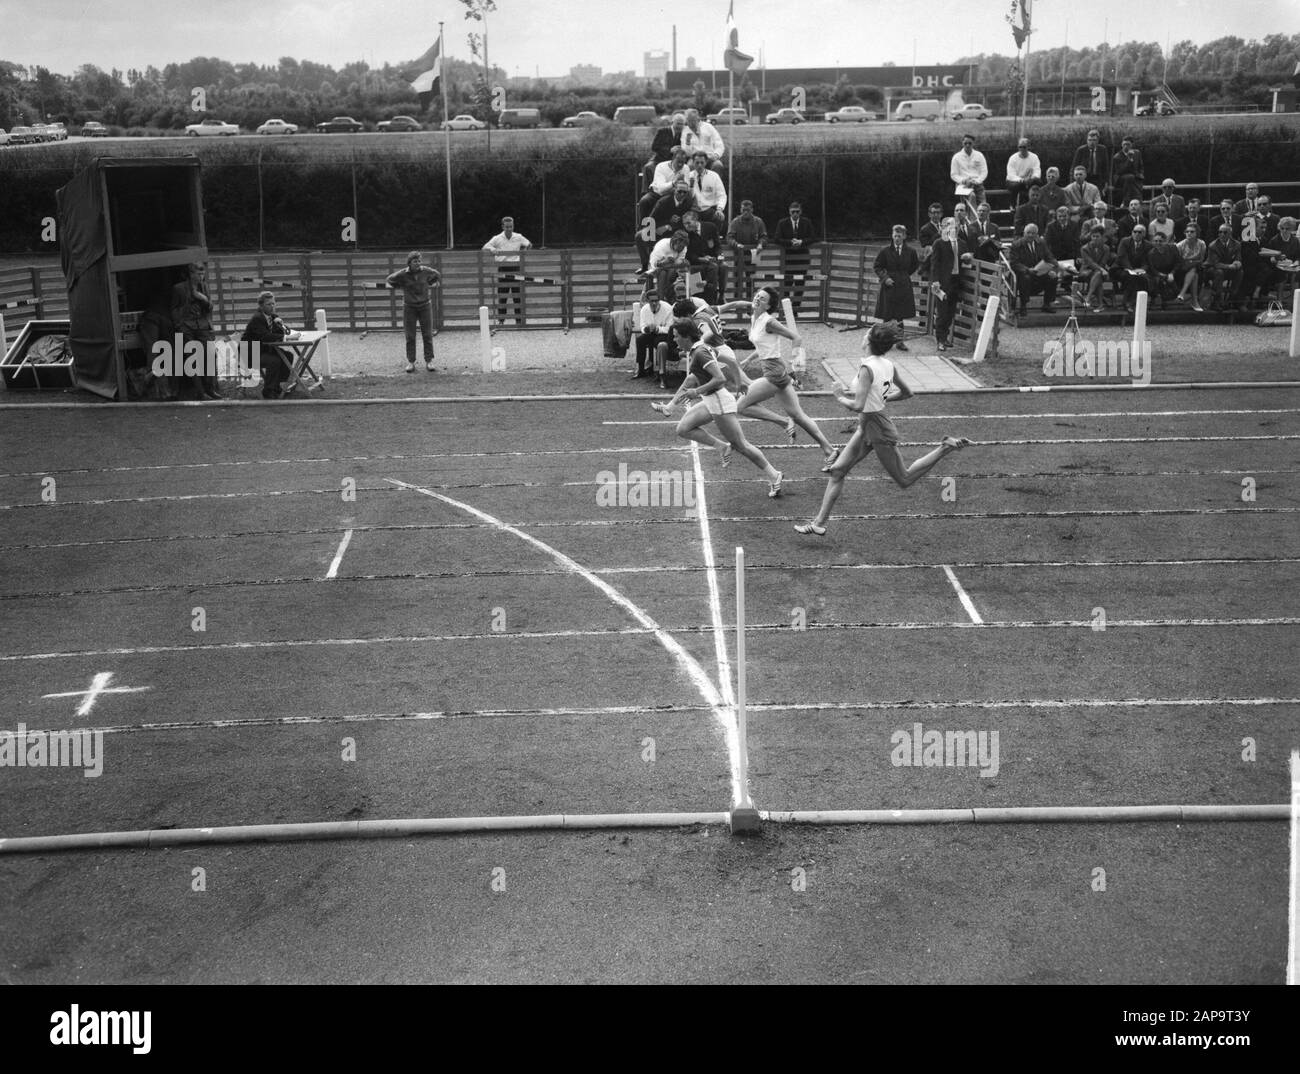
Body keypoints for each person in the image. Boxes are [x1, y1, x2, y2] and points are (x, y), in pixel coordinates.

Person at [794, 322, 971, 537]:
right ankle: (819, 523)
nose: (863, 336)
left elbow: (858, 405)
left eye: (866, 334)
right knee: (838, 471)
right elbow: (907, 393)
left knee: (904, 479)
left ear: (869, 341)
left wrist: (840, 396)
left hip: (877, 429)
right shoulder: (887, 364)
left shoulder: (867, 369)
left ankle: (945, 448)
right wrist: (880, 400)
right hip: (867, 426)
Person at [652, 318, 784, 498]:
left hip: (720, 403)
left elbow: (720, 378)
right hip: (711, 401)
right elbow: (728, 360)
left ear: (686, 337)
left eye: (676, 336)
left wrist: (696, 392)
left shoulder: (700, 352)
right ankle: (722, 447)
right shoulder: (699, 349)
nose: (674, 340)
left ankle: (774, 475)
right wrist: (739, 383)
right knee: (683, 428)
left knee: (741, 445)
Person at [728, 286, 839, 463]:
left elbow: (796, 338)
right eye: (757, 295)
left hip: (774, 373)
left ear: (768, 306)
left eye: (762, 299)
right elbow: (764, 345)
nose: (757, 299)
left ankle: (783, 422)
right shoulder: (754, 318)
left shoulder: (769, 322)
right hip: (775, 369)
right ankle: (830, 450)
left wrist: (795, 359)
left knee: (740, 406)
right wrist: (749, 360)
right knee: (799, 415)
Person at [170, 261, 220, 400]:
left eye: (203, 274)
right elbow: (174, 309)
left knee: (211, 355)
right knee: (192, 358)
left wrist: (204, 299)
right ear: (191, 274)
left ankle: (210, 389)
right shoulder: (178, 288)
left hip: (202, 326)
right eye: (199, 274)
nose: (201, 276)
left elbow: (210, 308)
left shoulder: (204, 287)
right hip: (186, 327)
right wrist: (180, 325)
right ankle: (200, 392)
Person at [385, 251, 441, 372]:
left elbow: (437, 274)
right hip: (409, 308)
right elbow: (389, 279)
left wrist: (430, 282)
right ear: (409, 263)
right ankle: (411, 362)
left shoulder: (426, 271)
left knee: (427, 334)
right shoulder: (403, 274)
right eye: (415, 261)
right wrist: (399, 285)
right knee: (410, 336)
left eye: (419, 261)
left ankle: (429, 361)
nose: (418, 263)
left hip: (425, 306)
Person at [241, 290, 293, 398]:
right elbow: (265, 337)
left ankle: (276, 386)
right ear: (261, 306)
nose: (272, 306)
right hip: (250, 354)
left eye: (273, 303)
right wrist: (287, 337)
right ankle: (268, 391)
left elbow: (277, 334)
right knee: (274, 361)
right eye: (268, 304)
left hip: (262, 350)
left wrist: (279, 325)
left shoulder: (272, 317)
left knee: (288, 356)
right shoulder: (257, 318)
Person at [482, 217, 532, 325]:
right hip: (502, 268)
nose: (509, 229)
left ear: (513, 226)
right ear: (503, 226)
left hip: (516, 268)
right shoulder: (497, 238)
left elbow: (529, 244)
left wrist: (522, 254)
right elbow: (485, 247)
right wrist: (492, 249)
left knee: (517, 295)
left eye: (511, 226)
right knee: (502, 296)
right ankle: (501, 321)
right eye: (507, 227)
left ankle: (519, 320)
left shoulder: (518, 237)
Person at [638, 180, 696, 271]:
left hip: (678, 231)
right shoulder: (663, 202)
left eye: (685, 192)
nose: (682, 194)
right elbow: (650, 220)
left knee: (691, 234)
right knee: (639, 236)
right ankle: (646, 265)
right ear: (674, 190)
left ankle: (688, 262)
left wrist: (678, 225)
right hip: (660, 229)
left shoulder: (688, 202)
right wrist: (666, 224)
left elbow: (689, 219)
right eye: (679, 191)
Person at [773, 201, 817, 315]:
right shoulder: (782, 223)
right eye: (793, 212)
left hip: (802, 258)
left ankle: (795, 309)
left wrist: (801, 242)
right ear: (789, 212)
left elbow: (813, 237)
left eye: (797, 212)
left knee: (800, 284)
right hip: (787, 258)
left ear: (800, 212)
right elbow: (777, 238)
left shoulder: (806, 222)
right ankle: (786, 310)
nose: (795, 214)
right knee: (787, 284)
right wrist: (790, 242)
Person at [873, 225, 920, 331]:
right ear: (892, 236)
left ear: (904, 236)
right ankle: (884, 341)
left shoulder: (911, 251)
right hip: (889, 285)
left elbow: (914, 265)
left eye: (899, 236)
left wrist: (904, 275)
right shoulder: (885, 250)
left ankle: (899, 340)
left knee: (900, 315)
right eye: (895, 236)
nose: (897, 239)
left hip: (903, 285)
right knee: (887, 314)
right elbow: (877, 266)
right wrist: (885, 278)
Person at [1009, 223, 1059, 315]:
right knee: (1026, 278)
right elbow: (1014, 263)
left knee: (1053, 277)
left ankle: (1047, 304)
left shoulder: (1041, 243)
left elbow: (1049, 257)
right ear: (1024, 233)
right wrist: (1027, 269)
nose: (1031, 235)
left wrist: (1054, 267)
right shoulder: (1016, 245)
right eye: (1028, 233)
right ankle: (1023, 305)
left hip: (1039, 271)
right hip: (1023, 273)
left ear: (1037, 234)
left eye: (1033, 233)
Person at [929, 216, 963, 351]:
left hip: (956, 281)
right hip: (943, 282)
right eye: (949, 226)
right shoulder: (939, 243)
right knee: (942, 312)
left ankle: (945, 336)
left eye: (955, 226)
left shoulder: (962, 243)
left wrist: (967, 259)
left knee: (950, 312)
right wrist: (936, 280)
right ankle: (940, 340)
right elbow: (934, 263)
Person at [726, 199, 768, 299]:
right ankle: (737, 306)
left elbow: (764, 236)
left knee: (751, 280)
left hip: (753, 253)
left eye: (748, 210)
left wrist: (761, 244)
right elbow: (729, 237)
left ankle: (750, 306)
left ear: (752, 210)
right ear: (740, 209)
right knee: (737, 280)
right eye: (744, 210)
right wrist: (736, 244)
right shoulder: (735, 222)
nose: (746, 212)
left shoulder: (758, 222)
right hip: (739, 254)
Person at [681, 210, 723, 304]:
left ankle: (721, 295)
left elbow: (717, 245)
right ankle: (702, 299)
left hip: (712, 259)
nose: (686, 226)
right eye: (684, 224)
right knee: (711, 268)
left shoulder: (710, 227)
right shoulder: (686, 234)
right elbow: (688, 254)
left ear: (695, 220)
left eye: (688, 223)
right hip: (696, 261)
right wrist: (701, 259)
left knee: (723, 266)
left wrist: (720, 255)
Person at [632, 289, 674, 379]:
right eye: (652, 301)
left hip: (664, 334)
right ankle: (641, 369)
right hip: (651, 333)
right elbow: (643, 326)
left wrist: (657, 329)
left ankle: (659, 370)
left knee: (658, 342)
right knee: (639, 340)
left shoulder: (667, 308)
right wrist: (646, 329)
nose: (654, 303)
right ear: (647, 301)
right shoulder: (644, 309)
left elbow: (670, 328)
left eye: (656, 301)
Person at [638, 146, 689, 218]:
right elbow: (660, 189)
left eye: (682, 162)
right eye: (678, 161)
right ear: (673, 159)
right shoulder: (661, 166)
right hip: (657, 193)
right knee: (644, 201)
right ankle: (643, 227)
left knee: (687, 199)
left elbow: (686, 188)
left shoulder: (686, 168)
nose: (680, 165)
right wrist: (674, 183)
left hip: (674, 195)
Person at [642, 112, 686, 189]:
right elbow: (654, 147)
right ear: (672, 122)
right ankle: (648, 192)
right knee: (648, 167)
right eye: (678, 124)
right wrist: (670, 150)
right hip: (659, 159)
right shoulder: (662, 131)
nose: (680, 126)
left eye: (682, 124)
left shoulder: (684, 134)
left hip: (674, 162)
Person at [1078, 224, 1116, 312]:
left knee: (1098, 275)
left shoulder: (1106, 248)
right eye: (1093, 236)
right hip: (1086, 271)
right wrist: (1102, 269)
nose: (1095, 238)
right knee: (1098, 276)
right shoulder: (1084, 248)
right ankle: (1098, 303)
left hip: (1099, 272)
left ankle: (1088, 298)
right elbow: (1090, 263)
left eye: (1097, 236)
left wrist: (1101, 269)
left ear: (1102, 237)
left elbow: (1103, 263)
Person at [1205, 223, 1243, 310]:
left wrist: (1237, 263)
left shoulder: (1236, 244)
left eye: (1225, 232)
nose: (1222, 234)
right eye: (1220, 232)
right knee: (1219, 272)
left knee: (1240, 272)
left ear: (1230, 233)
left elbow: (1238, 258)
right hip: (1211, 269)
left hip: (1228, 268)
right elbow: (1215, 264)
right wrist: (1230, 266)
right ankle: (1216, 301)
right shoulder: (1213, 245)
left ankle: (1232, 298)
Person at [686, 149, 727, 227]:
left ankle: (715, 237)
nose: (699, 165)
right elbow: (687, 198)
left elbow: (722, 195)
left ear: (706, 163)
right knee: (687, 219)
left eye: (702, 162)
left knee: (719, 217)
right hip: (694, 210)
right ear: (693, 163)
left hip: (709, 210)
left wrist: (720, 209)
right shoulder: (688, 176)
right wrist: (691, 186)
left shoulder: (714, 176)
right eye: (697, 163)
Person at [1116, 224, 1152, 311]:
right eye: (1134, 232)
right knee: (1131, 277)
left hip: (1139, 269)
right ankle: (1128, 302)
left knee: (1143, 278)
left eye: (1139, 232)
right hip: (1122, 268)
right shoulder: (1125, 241)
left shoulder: (1148, 245)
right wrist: (1131, 270)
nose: (1136, 234)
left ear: (1144, 234)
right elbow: (1122, 257)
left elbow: (1147, 261)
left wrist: (1142, 269)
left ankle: (1136, 303)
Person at [649, 230, 690, 303]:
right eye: (680, 246)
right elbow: (653, 263)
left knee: (673, 271)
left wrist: (673, 264)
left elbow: (678, 263)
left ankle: (669, 297)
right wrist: (664, 262)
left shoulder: (684, 248)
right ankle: (661, 299)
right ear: (674, 241)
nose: (681, 249)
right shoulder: (662, 245)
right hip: (657, 268)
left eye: (683, 247)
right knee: (663, 273)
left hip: (672, 269)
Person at [681, 108, 725, 175]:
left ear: (697, 118)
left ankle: (714, 185)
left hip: (710, 158)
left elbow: (719, 144)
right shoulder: (685, 131)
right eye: (688, 120)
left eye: (692, 120)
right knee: (690, 167)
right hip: (695, 159)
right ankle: (693, 185)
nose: (690, 123)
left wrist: (716, 155)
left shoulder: (708, 127)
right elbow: (686, 152)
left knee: (718, 165)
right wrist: (688, 141)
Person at [1174, 223, 1207, 310]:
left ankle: (1182, 295)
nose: (1189, 233)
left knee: (1194, 272)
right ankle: (1194, 302)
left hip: (1198, 268)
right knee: (1194, 273)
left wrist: (1192, 262)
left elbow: (1201, 259)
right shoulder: (1180, 245)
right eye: (1187, 231)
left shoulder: (1201, 244)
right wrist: (1191, 262)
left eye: (1192, 232)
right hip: (1182, 270)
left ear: (1197, 233)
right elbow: (1179, 262)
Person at [1145, 231, 1181, 308]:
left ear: (1165, 241)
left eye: (1160, 241)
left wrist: (1172, 273)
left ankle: (1167, 299)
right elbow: (1152, 268)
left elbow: (1178, 263)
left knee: (1174, 288)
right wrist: (1160, 274)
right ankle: (1158, 300)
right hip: (1157, 274)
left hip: (1172, 272)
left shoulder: (1173, 248)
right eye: (1155, 241)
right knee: (1157, 281)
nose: (1158, 243)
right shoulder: (1151, 254)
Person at [949, 134, 987, 201]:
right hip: (963, 185)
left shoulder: (979, 155)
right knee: (971, 199)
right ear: (962, 143)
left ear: (973, 143)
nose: (967, 145)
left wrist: (977, 181)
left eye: (970, 143)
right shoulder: (956, 157)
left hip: (977, 184)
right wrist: (964, 180)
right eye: (965, 143)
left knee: (983, 205)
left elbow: (984, 172)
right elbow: (953, 175)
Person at [1005, 137, 1041, 205]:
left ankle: (1034, 203)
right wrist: (1022, 180)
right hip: (1014, 182)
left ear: (1028, 147)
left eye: (1024, 147)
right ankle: (1012, 205)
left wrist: (1031, 178)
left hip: (1029, 180)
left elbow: (1037, 171)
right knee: (1016, 186)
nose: (1022, 149)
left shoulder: (1034, 157)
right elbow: (1011, 175)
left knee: (1038, 181)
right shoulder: (1013, 158)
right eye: (1020, 147)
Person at [1110, 138, 1145, 209]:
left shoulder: (1137, 153)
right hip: (1121, 178)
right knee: (1130, 177)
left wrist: (1140, 174)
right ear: (1121, 145)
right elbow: (1120, 171)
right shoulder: (1117, 156)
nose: (1126, 146)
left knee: (1134, 180)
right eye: (1124, 144)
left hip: (1134, 177)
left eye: (1128, 144)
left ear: (1132, 145)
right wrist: (1129, 159)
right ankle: (1126, 201)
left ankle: (1136, 201)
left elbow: (1141, 166)